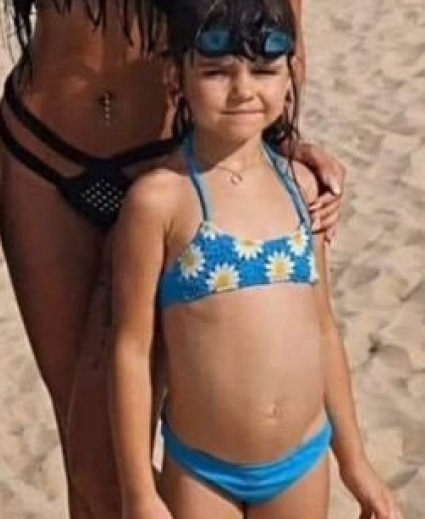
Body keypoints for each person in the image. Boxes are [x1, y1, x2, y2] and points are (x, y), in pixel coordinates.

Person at [0, 0, 348, 516]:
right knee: (90, 464)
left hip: (177, 156)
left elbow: (280, 12)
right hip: (44, 149)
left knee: (128, 459)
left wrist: (277, 136)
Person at [109, 1, 400, 517]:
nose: (243, 89)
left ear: (290, 78)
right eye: (217, 72)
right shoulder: (161, 200)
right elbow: (133, 350)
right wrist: (139, 491)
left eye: (264, 71)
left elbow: (324, 329)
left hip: (303, 460)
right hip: (202, 471)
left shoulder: (300, 188)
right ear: (176, 77)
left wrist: (354, 462)